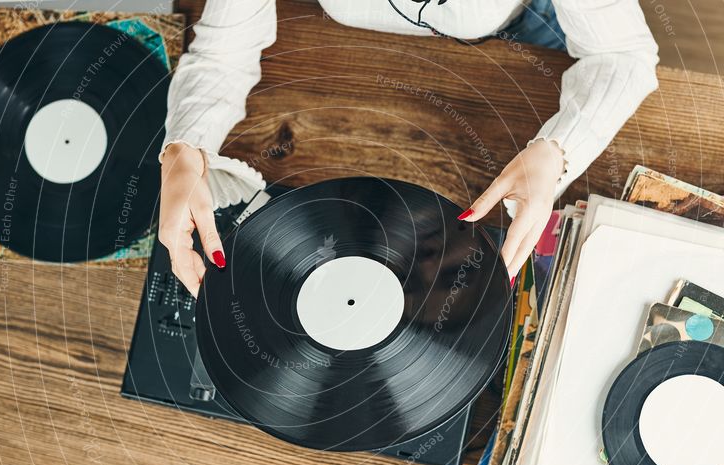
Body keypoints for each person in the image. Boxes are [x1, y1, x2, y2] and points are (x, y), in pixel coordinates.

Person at [159, 0, 659, 296]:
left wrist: (557, 149)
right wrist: (184, 146)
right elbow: (223, 51)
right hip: (346, 53)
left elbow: (621, 53)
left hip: (517, 33)